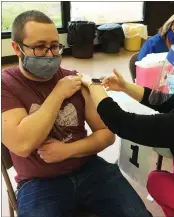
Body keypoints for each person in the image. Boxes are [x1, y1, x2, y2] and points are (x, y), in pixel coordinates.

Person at [1, 10, 153, 217]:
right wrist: (58, 94)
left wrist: (68, 150)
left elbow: (107, 135)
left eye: (55, 46)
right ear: (17, 48)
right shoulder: (6, 85)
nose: (50, 54)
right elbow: (23, 144)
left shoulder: (75, 79)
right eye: (39, 47)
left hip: (89, 168)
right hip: (39, 182)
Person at [81, 37, 174, 217]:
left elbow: (122, 123)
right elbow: (167, 103)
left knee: (157, 181)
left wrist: (93, 85)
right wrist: (124, 87)